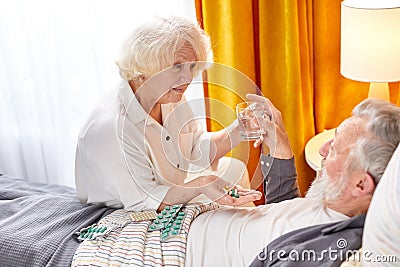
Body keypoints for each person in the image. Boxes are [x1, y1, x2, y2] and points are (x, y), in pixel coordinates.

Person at [185, 96, 400, 267]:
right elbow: (289, 222)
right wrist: (281, 149)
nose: (323, 150)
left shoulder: (329, 253)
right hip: (187, 225)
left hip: (179, 255)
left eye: (334, 149)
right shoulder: (335, 201)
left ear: (360, 185)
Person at [74, 16, 262, 212]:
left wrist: (239, 130)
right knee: (223, 205)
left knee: (235, 168)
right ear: (144, 67)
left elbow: (195, 149)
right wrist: (202, 184)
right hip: (129, 208)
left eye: (192, 66)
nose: (188, 77)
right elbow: (145, 200)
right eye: (177, 66)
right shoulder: (112, 126)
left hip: (168, 186)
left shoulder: (170, 94)